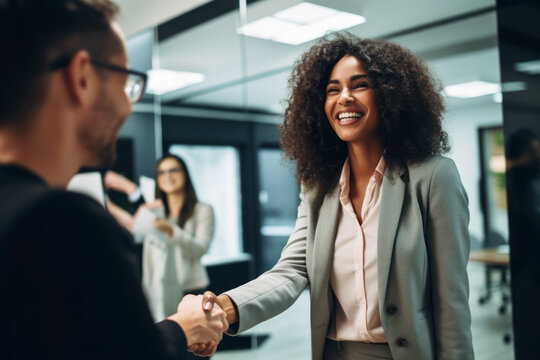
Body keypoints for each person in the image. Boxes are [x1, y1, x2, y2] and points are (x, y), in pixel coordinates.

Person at [200, 34, 474, 359]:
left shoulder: (433, 177)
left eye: (359, 85)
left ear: (389, 96)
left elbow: (451, 301)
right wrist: (224, 308)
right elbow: (292, 270)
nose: (344, 97)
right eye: (333, 89)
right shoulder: (318, 187)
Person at [0, 1, 226, 359]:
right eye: (127, 83)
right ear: (82, 77)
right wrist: (181, 329)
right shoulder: (61, 221)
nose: (127, 106)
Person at [108, 155, 215, 321]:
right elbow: (134, 229)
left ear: (184, 174)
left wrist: (171, 230)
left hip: (190, 288)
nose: (168, 176)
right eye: (162, 173)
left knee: (195, 344)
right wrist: (109, 205)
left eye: (173, 170)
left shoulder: (202, 210)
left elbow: (199, 249)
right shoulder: (155, 210)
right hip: (160, 290)